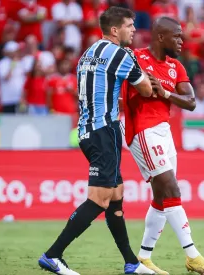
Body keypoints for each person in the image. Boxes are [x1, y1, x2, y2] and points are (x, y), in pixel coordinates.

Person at [37, 6, 155, 275]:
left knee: (116, 195)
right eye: (129, 25)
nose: (134, 30)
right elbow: (146, 89)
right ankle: (53, 255)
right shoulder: (121, 55)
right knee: (100, 198)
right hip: (104, 130)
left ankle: (131, 263)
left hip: (88, 130)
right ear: (115, 30)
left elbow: (93, 92)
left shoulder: (87, 54)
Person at [122, 17, 204, 275]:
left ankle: (143, 258)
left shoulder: (176, 66)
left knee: (161, 197)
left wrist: (165, 93)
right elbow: (132, 89)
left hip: (164, 130)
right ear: (160, 37)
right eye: (176, 36)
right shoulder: (136, 58)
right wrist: (145, 85)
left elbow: (190, 101)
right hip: (142, 128)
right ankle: (193, 255)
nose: (181, 41)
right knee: (171, 187)